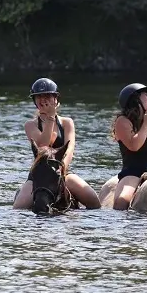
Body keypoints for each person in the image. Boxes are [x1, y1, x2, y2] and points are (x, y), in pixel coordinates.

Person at [13, 78, 100, 209]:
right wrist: (50, 119)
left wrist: (62, 168)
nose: (43, 100)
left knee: (93, 199)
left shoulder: (67, 122)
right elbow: (43, 146)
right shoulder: (30, 125)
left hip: (61, 171)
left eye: (47, 96)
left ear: (56, 99)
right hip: (39, 176)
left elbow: (69, 149)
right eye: (39, 97)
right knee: (18, 207)